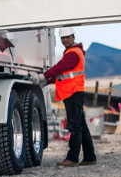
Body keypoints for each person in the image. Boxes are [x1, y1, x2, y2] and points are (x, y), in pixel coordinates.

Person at [38, 27, 96, 167]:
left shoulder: (73, 54)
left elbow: (61, 67)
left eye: (67, 37)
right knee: (81, 125)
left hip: (73, 93)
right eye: (63, 38)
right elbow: (64, 74)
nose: (65, 40)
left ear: (73, 37)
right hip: (73, 92)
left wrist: (44, 75)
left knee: (75, 126)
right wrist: (48, 81)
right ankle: (89, 157)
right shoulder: (73, 52)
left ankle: (73, 158)